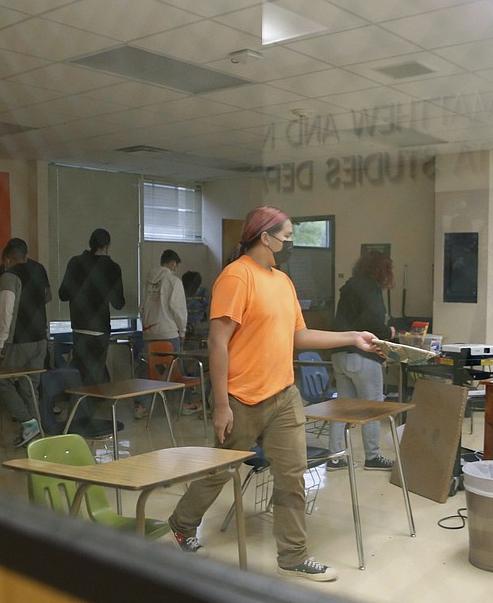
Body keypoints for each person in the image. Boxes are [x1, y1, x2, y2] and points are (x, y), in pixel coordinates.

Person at [166, 206, 379, 582]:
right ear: (265, 237)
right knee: (218, 471)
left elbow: (299, 336)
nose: (291, 243)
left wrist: (352, 337)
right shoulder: (236, 277)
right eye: (287, 236)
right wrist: (220, 405)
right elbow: (218, 342)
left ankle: (293, 556)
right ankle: (182, 523)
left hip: (283, 396)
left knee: (292, 476)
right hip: (241, 399)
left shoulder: (282, 281)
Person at [326, 251, 396, 472]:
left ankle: (335, 457)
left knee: (342, 407)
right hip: (361, 356)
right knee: (372, 407)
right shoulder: (370, 288)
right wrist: (390, 332)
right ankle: (373, 457)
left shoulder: (350, 285)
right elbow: (374, 323)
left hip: (339, 354)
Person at [0, 238, 51, 447]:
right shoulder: (39, 270)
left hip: (18, 340)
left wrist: (0, 341)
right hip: (40, 339)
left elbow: (6, 310)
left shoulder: (8, 276)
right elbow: (47, 297)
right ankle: (36, 436)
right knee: (30, 386)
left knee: (1, 380)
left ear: (7, 259)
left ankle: (28, 422)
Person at [58, 228, 125, 387]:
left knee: (80, 373)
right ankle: (93, 404)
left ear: (90, 243)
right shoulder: (113, 268)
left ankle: (82, 405)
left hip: (79, 327)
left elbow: (63, 294)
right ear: (107, 246)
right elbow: (118, 303)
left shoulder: (75, 263)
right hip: (100, 328)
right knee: (96, 372)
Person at [136, 249, 188, 419]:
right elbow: (178, 310)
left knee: (146, 370)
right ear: (173, 263)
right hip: (168, 332)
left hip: (149, 332)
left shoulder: (148, 282)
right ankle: (182, 404)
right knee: (176, 369)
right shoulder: (173, 281)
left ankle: (141, 406)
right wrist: (183, 331)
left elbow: (142, 306)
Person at [182, 270, 209, 340]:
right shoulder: (181, 291)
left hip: (199, 328)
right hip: (184, 327)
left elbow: (205, 310)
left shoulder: (203, 292)